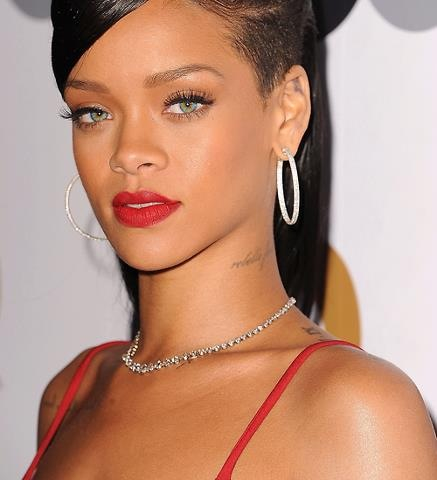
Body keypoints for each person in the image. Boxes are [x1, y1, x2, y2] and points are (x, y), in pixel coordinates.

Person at [24, 0, 437, 478]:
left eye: (184, 102)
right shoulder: (69, 394)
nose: (129, 153)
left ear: (287, 113)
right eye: (93, 112)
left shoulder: (354, 414)